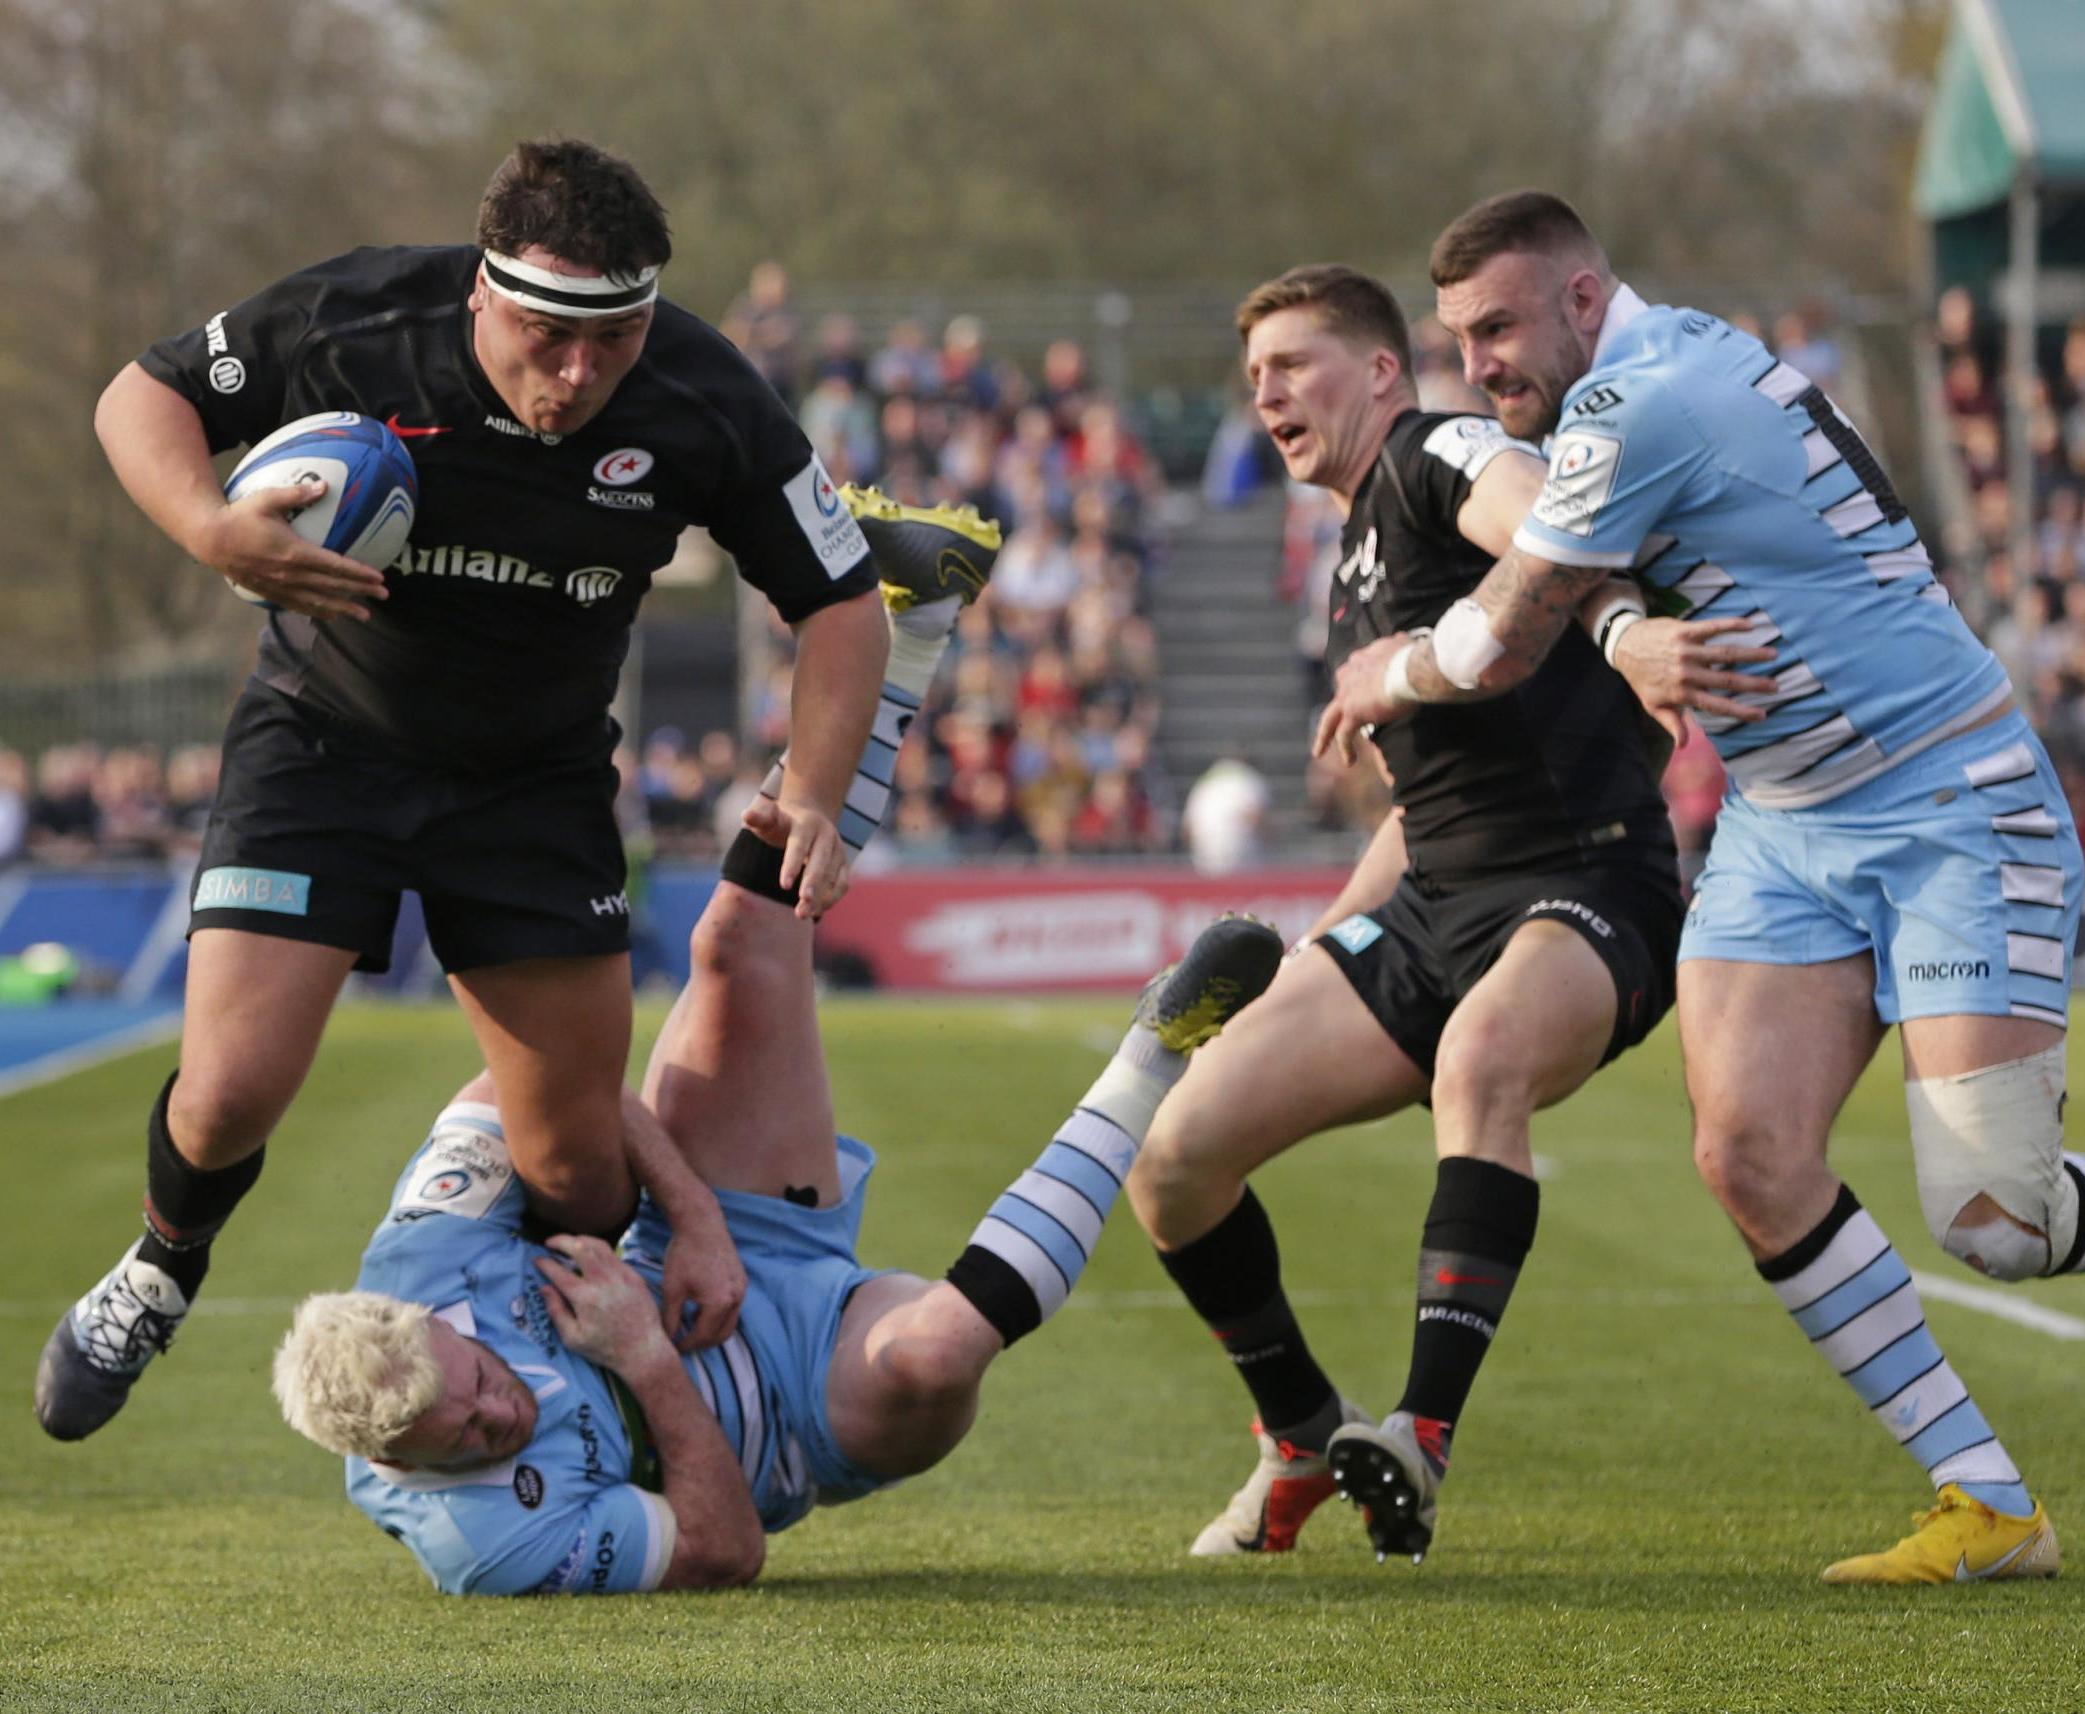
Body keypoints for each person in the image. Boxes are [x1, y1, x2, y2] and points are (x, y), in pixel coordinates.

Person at [1320, 191, 2085, 1583]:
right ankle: (1987, 1500)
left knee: (1994, 1222)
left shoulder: (1636, 404)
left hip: (1950, 800)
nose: (1481, 364)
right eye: (1459, 337)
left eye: (1501, 327)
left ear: (1585, 302)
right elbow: (1581, 569)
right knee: (1748, 1154)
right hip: (1783, 822)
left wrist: (1383, 670)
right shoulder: (1653, 375)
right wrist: (1634, 629)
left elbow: (1493, 641)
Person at [38, 138, 894, 1442]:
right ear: (482, 293)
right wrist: (210, 526)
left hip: (534, 783)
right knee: (224, 1093)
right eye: (551, 335)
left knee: (572, 1164)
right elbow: (137, 398)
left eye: (612, 340)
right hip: (322, 743)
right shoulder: (361, 319)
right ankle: (161, 1263)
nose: (579, 371)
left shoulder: (703, 395)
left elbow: (837, 602)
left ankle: (587, 1391)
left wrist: (819, 791)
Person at [1127, 265, 1779, 1564]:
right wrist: (1319, 949)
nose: (1265, 395)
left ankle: (1417, 1438)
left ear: (1379, 371)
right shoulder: (1352, 560)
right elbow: (1413, 823)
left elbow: (1546, 510)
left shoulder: (1435, 450)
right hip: (1429, 902)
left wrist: (1628, 629)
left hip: (1586, 886)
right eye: (1252, 377)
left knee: (1479, 1064)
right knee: (1172, 1161)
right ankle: (1303, 1433)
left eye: (1293, 365)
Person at [269, 914, 1284, 1594]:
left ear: (437, 1327)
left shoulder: (419, 1262)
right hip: (797, 1405)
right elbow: (725, 1548)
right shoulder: (480, 1542)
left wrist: (695, 1218)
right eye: (473, 1432)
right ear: (395, 1461)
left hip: (708, 1239)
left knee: (740, 937)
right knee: (930, 1358)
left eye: (481, 1379)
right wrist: (645, 1359)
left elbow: (548, 1080)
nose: (504, 1408)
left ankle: (901, 634)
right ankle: (1156, 1048)